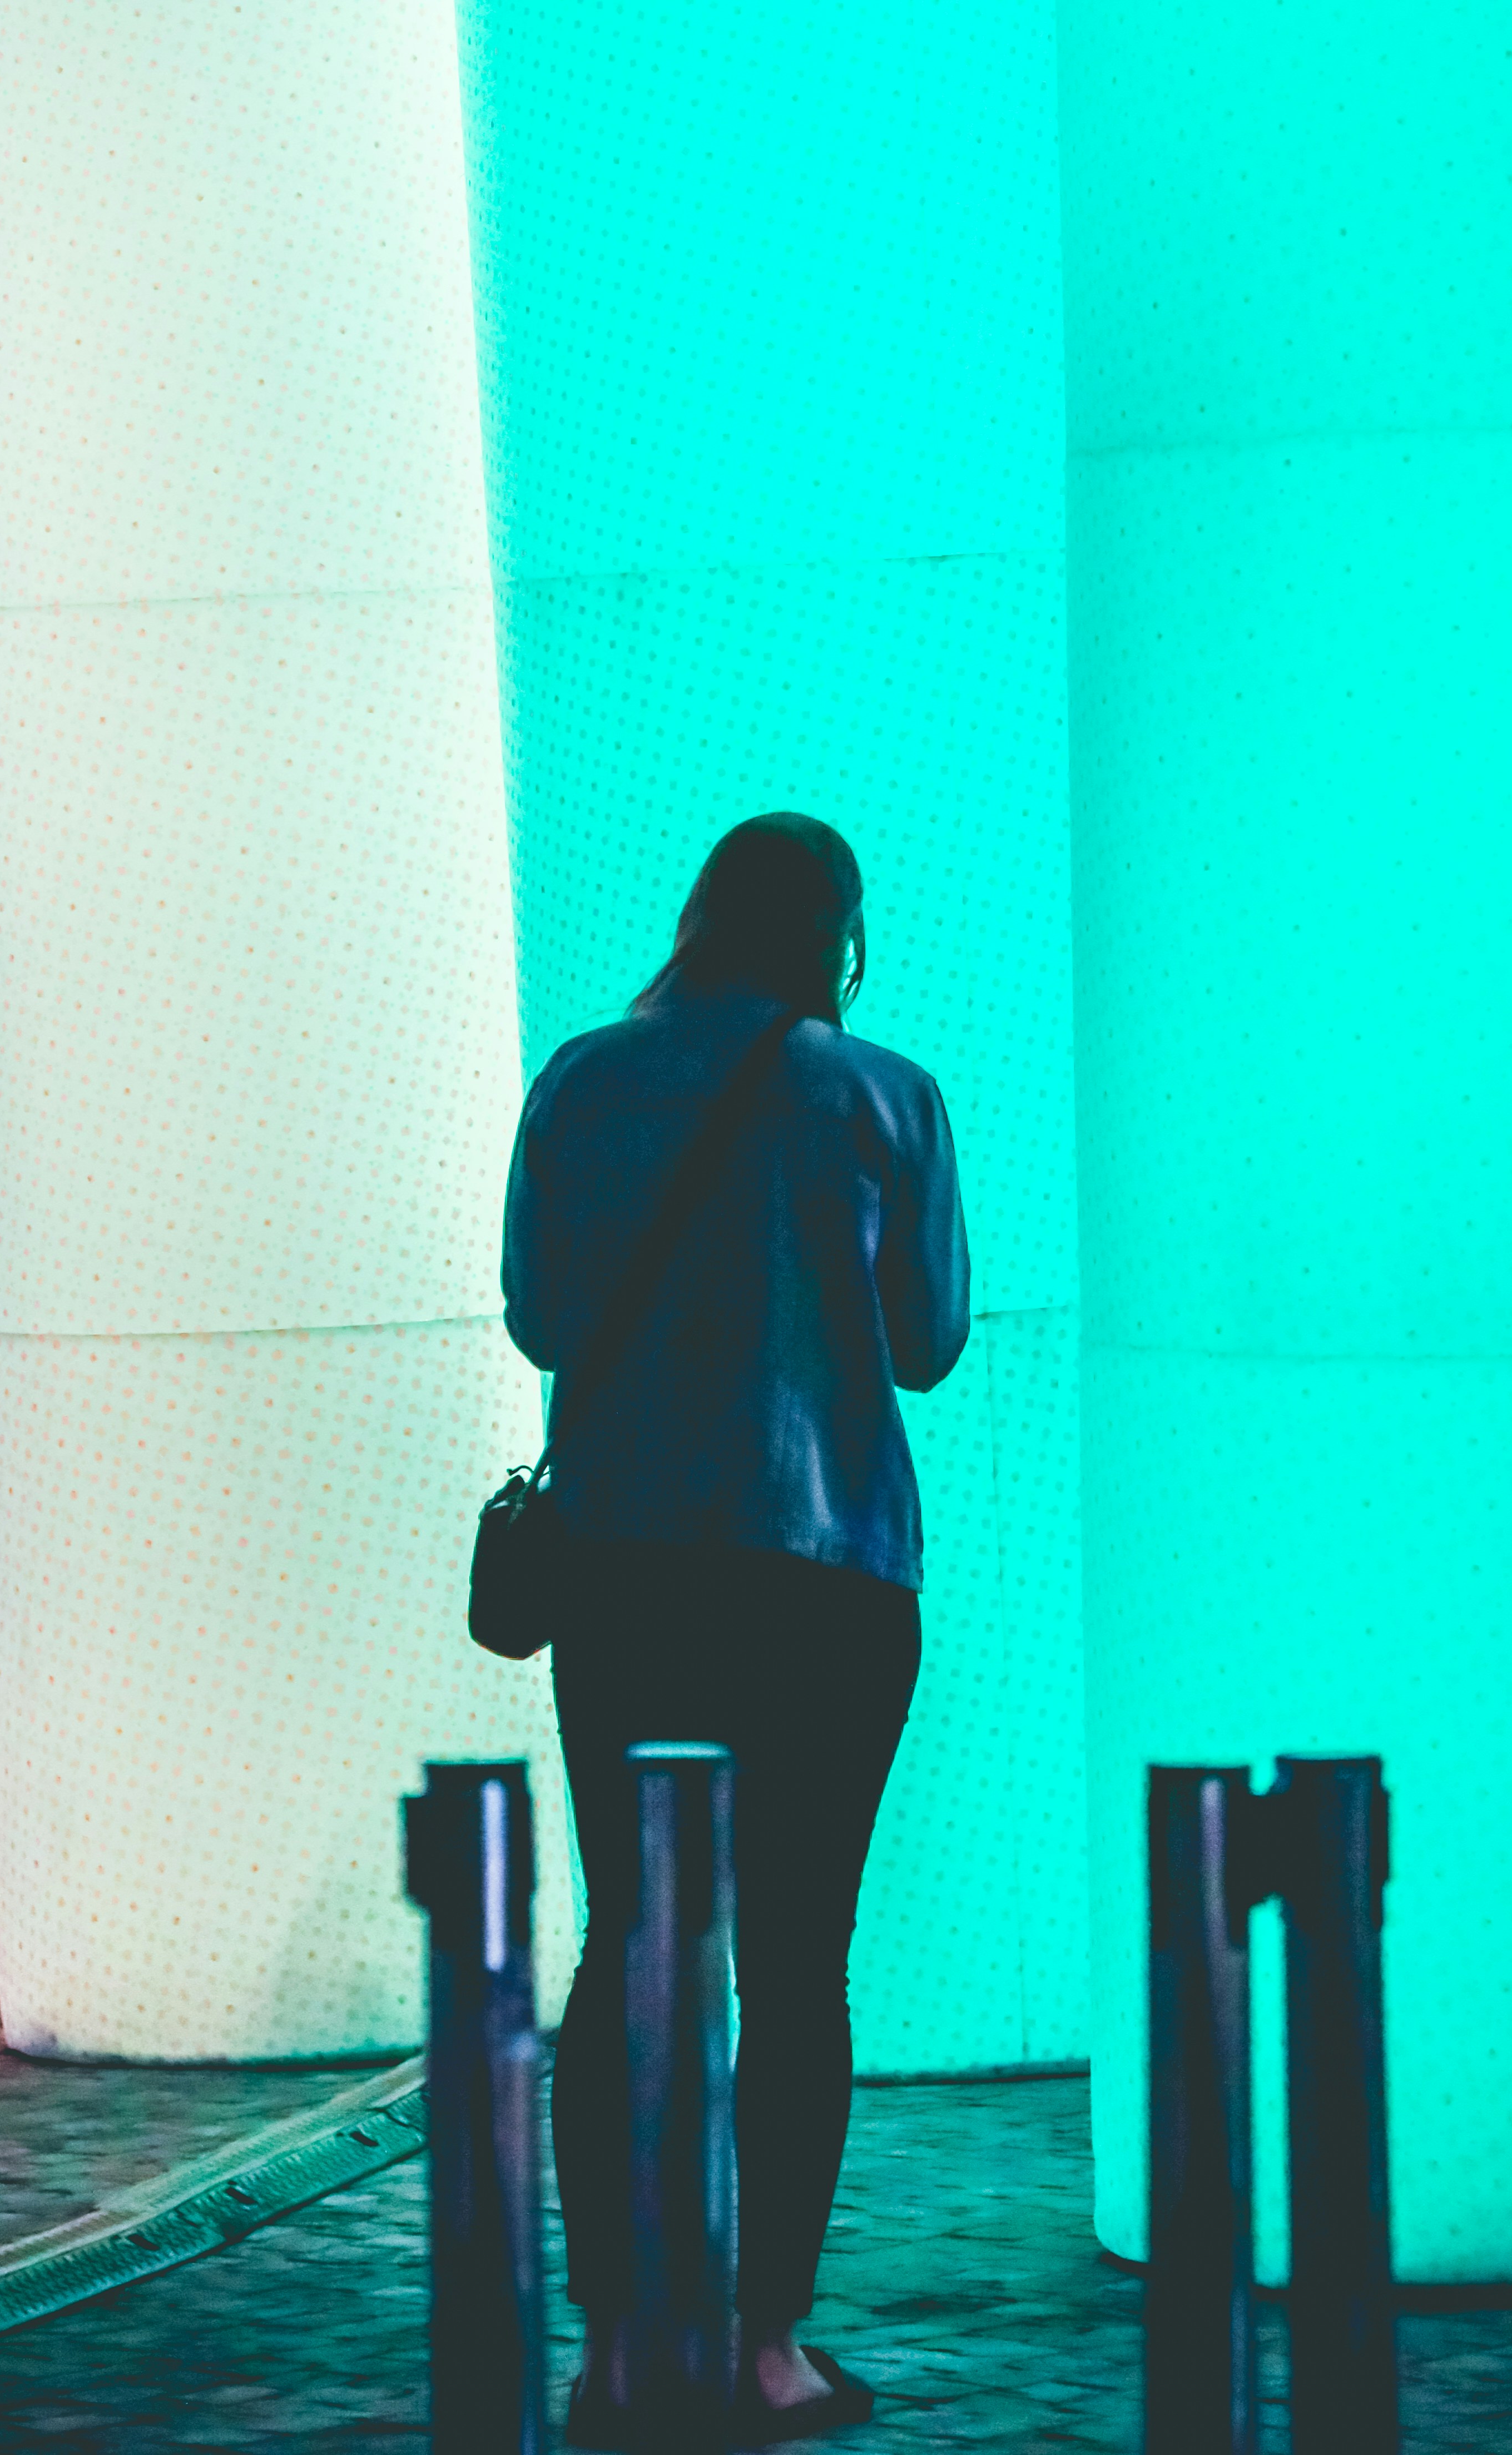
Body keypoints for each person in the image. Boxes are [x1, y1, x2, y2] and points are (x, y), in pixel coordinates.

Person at [503, 815, 969, 2449]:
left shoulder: (578, 1080)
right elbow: (927, 1343)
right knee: (794, 1964)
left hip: (626, 1567)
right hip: (828, 1573)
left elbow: (541, 1315)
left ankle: (623, 2343)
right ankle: (764, 2343)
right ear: (838, 936)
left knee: (628, 1940)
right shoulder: (881, 1094)